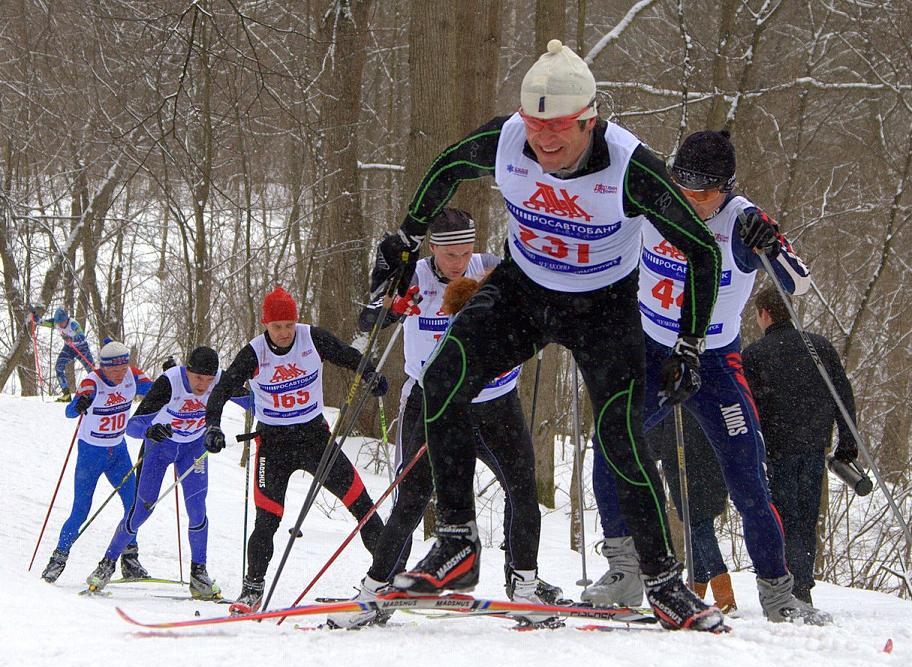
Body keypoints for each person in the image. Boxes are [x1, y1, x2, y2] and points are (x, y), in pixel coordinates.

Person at [369, 40, 726, 632]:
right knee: (439, 384)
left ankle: (663, 582)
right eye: (536, 127)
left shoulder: (631, 167)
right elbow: (447, 166)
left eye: (560, 128)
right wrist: (407, 239)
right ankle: (457, 541)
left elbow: (703, 252)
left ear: (589, 119)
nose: (545, 142)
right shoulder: (509, 138)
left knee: (620, 437)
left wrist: (691, 343)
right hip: (524, 290)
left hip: (604, 306)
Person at [586, 129, 830, 625]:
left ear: (726, 188)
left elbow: (800, 285)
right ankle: (625, 570)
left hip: (715, 361)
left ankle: (779, 591)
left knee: (747, 478)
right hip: (653, 351)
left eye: (705, 193)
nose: (692, 201)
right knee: (611, 442)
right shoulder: (655, 199)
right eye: (684, 187)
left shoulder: (741, 220)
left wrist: (771, 239)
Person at [331, 209, 556, 629]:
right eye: (450, 253)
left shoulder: (490, 268)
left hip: (495, 400)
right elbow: (368, 320)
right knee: (411, 498)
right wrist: (392, 303)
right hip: (433, 400)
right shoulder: (413, 275)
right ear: (432, 248)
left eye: (466, 251)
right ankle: (377, 588)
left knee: (523, 490)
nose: (459, 262)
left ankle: (524, 584)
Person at [204, 286, 389, 613]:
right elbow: (222, 389)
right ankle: (252, 590)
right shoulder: (254, 353)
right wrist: (213, 425)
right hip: (273, 447)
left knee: (363, 506)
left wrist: (371, 374)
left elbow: (348, 355)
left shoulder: (311, 338)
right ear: (266, 325)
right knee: (267, 521)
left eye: (289, 324)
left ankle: (390, 578)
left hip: (316, 440)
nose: (285, 332)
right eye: (277, 326)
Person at [84, 346, 251, 599]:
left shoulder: (220, 380)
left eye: (209, 380)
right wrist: (149, 431)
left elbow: (256, 403)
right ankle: (106, 563)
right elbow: (133, 427)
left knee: (197, 509)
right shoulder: (169, 382)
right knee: (142, 509)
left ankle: (199, 573)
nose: (203, 386)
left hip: (193, 450)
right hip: (160, 449)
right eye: (198, 379)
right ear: (187, 370)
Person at [743, 286, 857, 606]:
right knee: (805, 520)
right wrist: (847, 445)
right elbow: (843, 398)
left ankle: (783, 585)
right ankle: (802, 586)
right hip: (812, 448)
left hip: (774, 451)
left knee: (778, 519)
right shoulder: (820, 347)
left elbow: (745, 408)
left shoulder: (754, 356)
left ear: (764, 313)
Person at [40, 341, 153, 583]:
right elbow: (70, 413)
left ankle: (130, 559)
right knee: (80, 510)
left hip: (118, 452)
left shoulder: (132, 375)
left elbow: (156, 390)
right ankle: (58, 559)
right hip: (91, 455)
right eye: (114, 370)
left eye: (124, 367)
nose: (120, 374)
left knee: (134, 505)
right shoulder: (92, 381)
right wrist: (79, 403)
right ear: (103, 367)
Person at [654, 409, 737, 614]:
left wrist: (653, 448)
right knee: (698, 522)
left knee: (699, 524)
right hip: (705, 451)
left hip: (689, 453)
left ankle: (724, 595)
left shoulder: (672, 385)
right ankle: (695, 591)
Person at [32, 307, 96, 402]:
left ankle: (98, 391)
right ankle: (66, 394)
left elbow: (81, 337)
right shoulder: (56, 323)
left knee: (92, 370)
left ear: (67, 319)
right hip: (69, 349)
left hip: (82, 348)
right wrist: (35, 317)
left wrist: (72, 339)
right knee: (58, 367)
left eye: (62, 322)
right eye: (59, 322)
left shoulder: (73, 324)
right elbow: (43, 322)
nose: (61, 325)